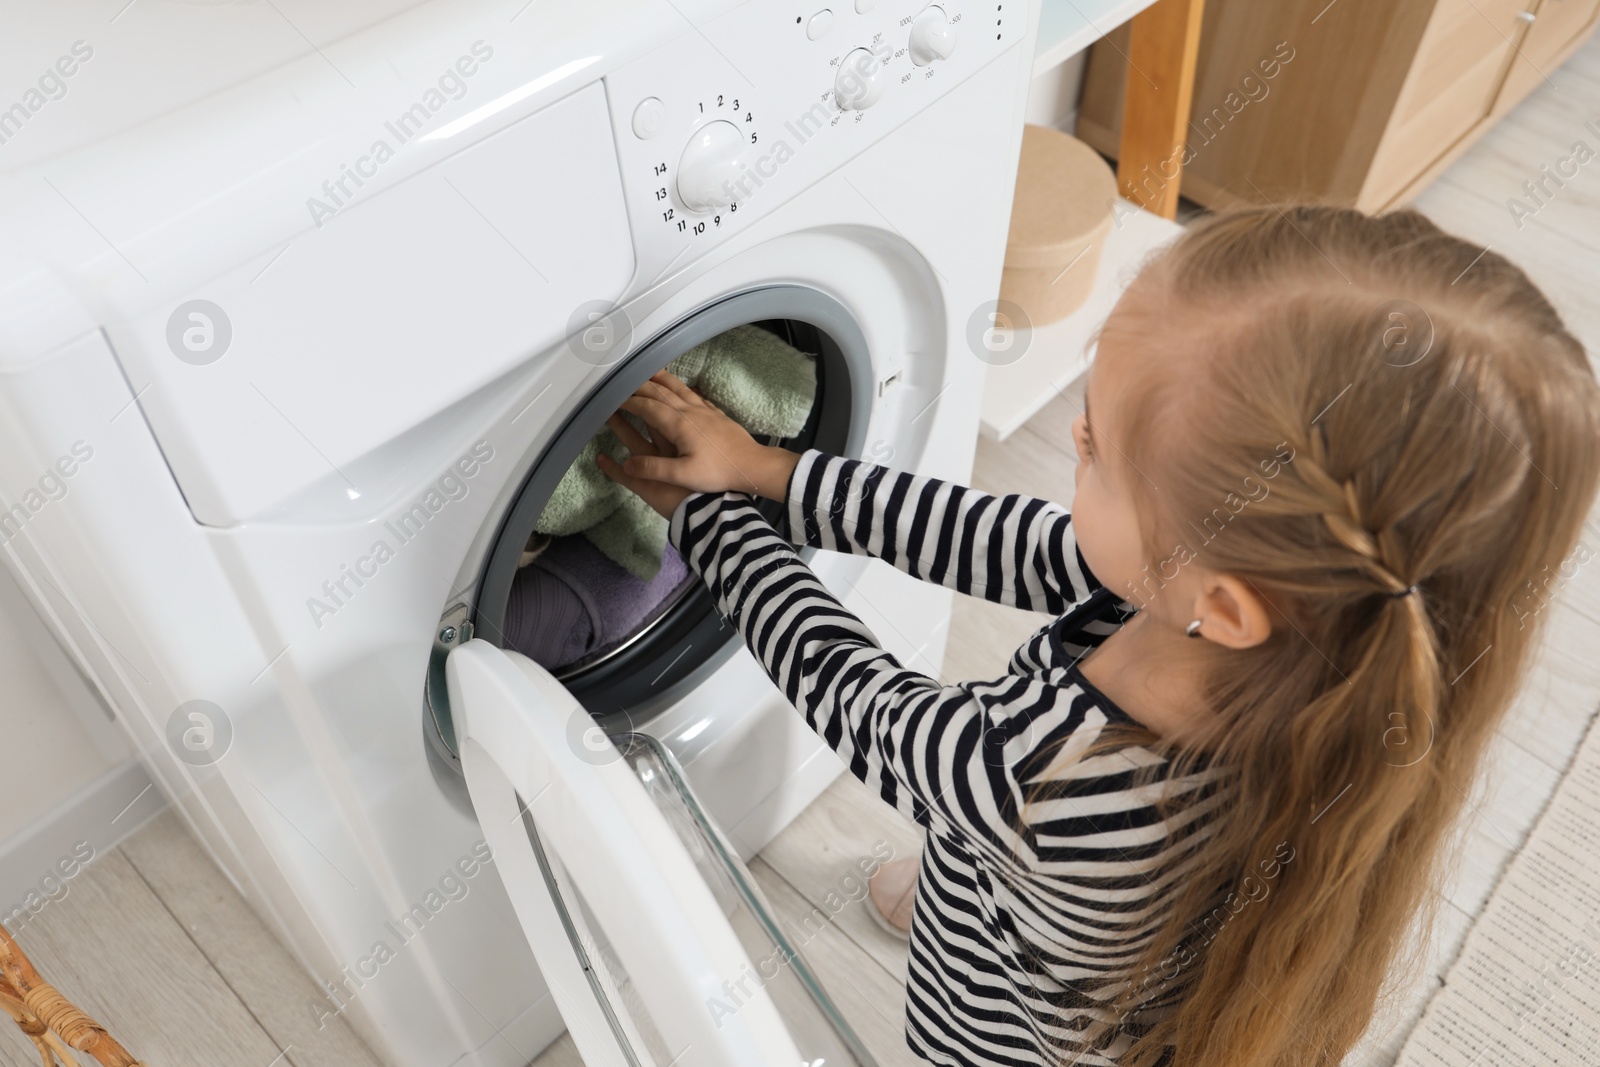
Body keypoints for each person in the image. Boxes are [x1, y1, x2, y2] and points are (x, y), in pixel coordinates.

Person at [597, 204, 1600, 1067]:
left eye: (1098, 446)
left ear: (1226, 600)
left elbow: (855, 694)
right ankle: (998, 888)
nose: (1072, 441)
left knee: (985, 877)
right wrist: (772, 473)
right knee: (995, 838)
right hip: (1117, 926)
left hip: (1003, 1035)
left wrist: (711, 517)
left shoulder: (1050, 776)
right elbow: (992, 538)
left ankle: (991, 906)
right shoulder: (1311, 647)